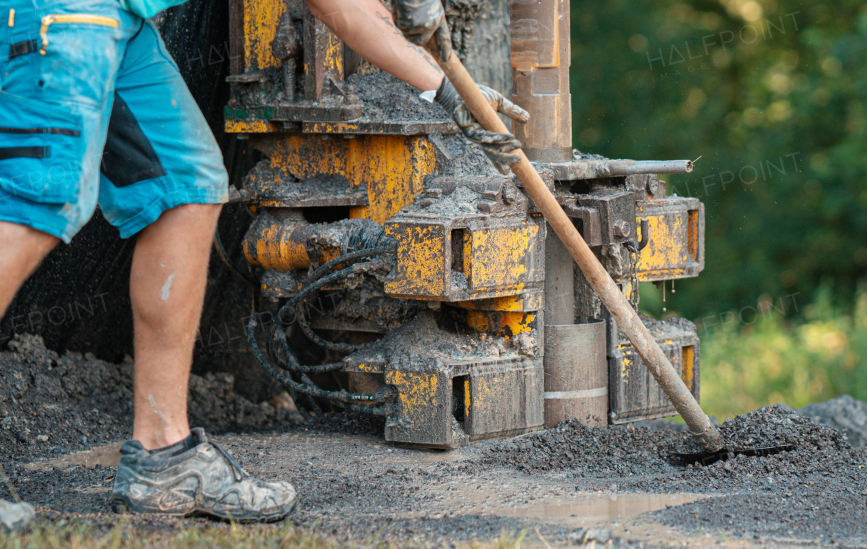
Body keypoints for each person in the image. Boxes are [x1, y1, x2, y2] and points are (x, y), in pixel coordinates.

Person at [0, 0, 524, 524]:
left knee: (184, 189)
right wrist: (441, 85)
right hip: (63, 13)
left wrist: (447, 91)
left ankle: (163, 457)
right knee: (41, 200)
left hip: (117, 19)